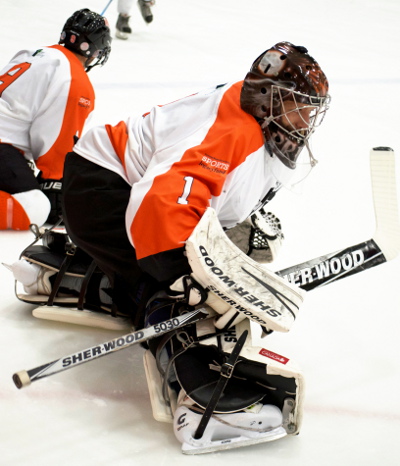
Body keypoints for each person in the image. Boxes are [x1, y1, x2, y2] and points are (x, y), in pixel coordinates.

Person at [11, 42, 330, 452]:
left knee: (184, 275)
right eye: (297, 105)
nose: (305, 119)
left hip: (113, 185)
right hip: (100, 189)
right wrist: (183, 280)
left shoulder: (255, 120)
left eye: (310, 107)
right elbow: (157, 207)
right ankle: (199, 399)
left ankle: (97, 279)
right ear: (267, 99)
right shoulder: (236, 131)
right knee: (182, 290)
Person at [0, 8, 112, 230]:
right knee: (35, 207)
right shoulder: (76, 79)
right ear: (95, 50)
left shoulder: (35, 52)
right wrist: (55, 180)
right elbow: (57, 138)